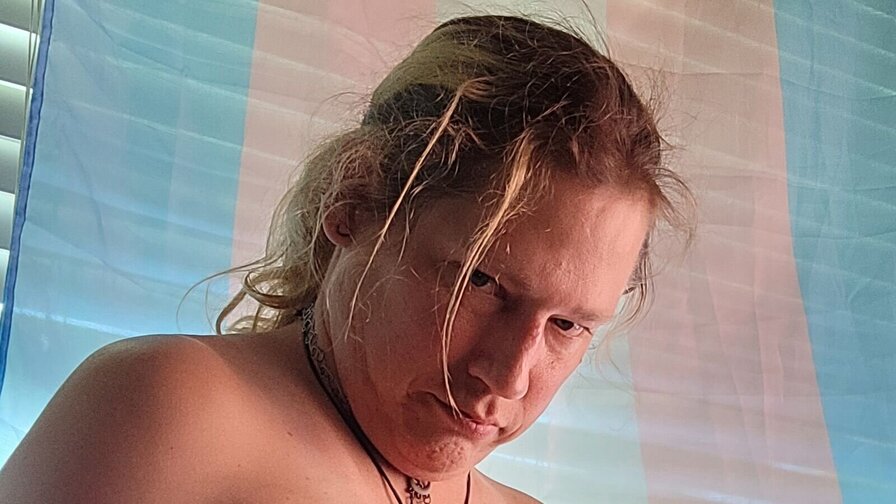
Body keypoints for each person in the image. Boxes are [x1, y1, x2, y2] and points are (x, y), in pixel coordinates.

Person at [0, 14, 693, 503]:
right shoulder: (170, 410)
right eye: (481, 282)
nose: (508, 377)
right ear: (355, 203)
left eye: (568, 325)